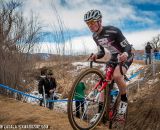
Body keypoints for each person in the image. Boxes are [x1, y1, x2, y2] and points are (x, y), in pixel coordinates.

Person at [84, 9, 133, 117]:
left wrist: (125, 53)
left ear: (99, 21)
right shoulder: (95, 36)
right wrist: (96, 55)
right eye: (88, 23)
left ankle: (124, 100)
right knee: (104, 83)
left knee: (116, 75)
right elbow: (101, 52)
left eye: (92, 22)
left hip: (125, 55)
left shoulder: (113, 31)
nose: (90, 25)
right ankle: (100, 113)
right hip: (114, 57)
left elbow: (127, 46)